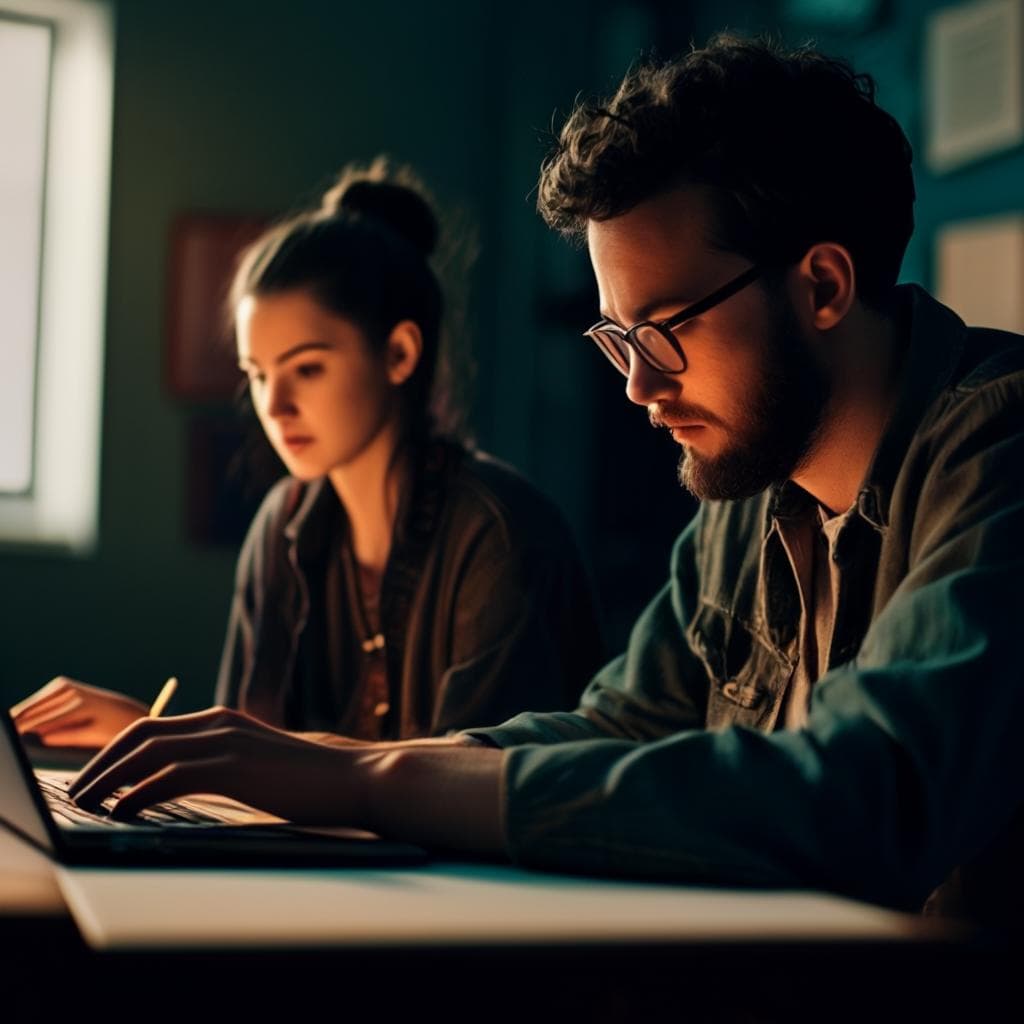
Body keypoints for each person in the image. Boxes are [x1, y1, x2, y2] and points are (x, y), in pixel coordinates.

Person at [64, 36, 1024, 927]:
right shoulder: (757, 488)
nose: (640, 386)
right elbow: (623, 723)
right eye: (617, 337)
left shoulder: (998, 448)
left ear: (821, 285)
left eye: (664, 330)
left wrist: (372, 784)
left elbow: (869, 794)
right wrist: (320, 762)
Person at [13, 160, 603, 747]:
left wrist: (189, 742)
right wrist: (154, 738)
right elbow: (248, 781)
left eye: (307, 368)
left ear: (399, 353)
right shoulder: (282, 524)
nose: (275, 404)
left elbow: (478, 790)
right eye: (258, 375)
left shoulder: (498, 536)